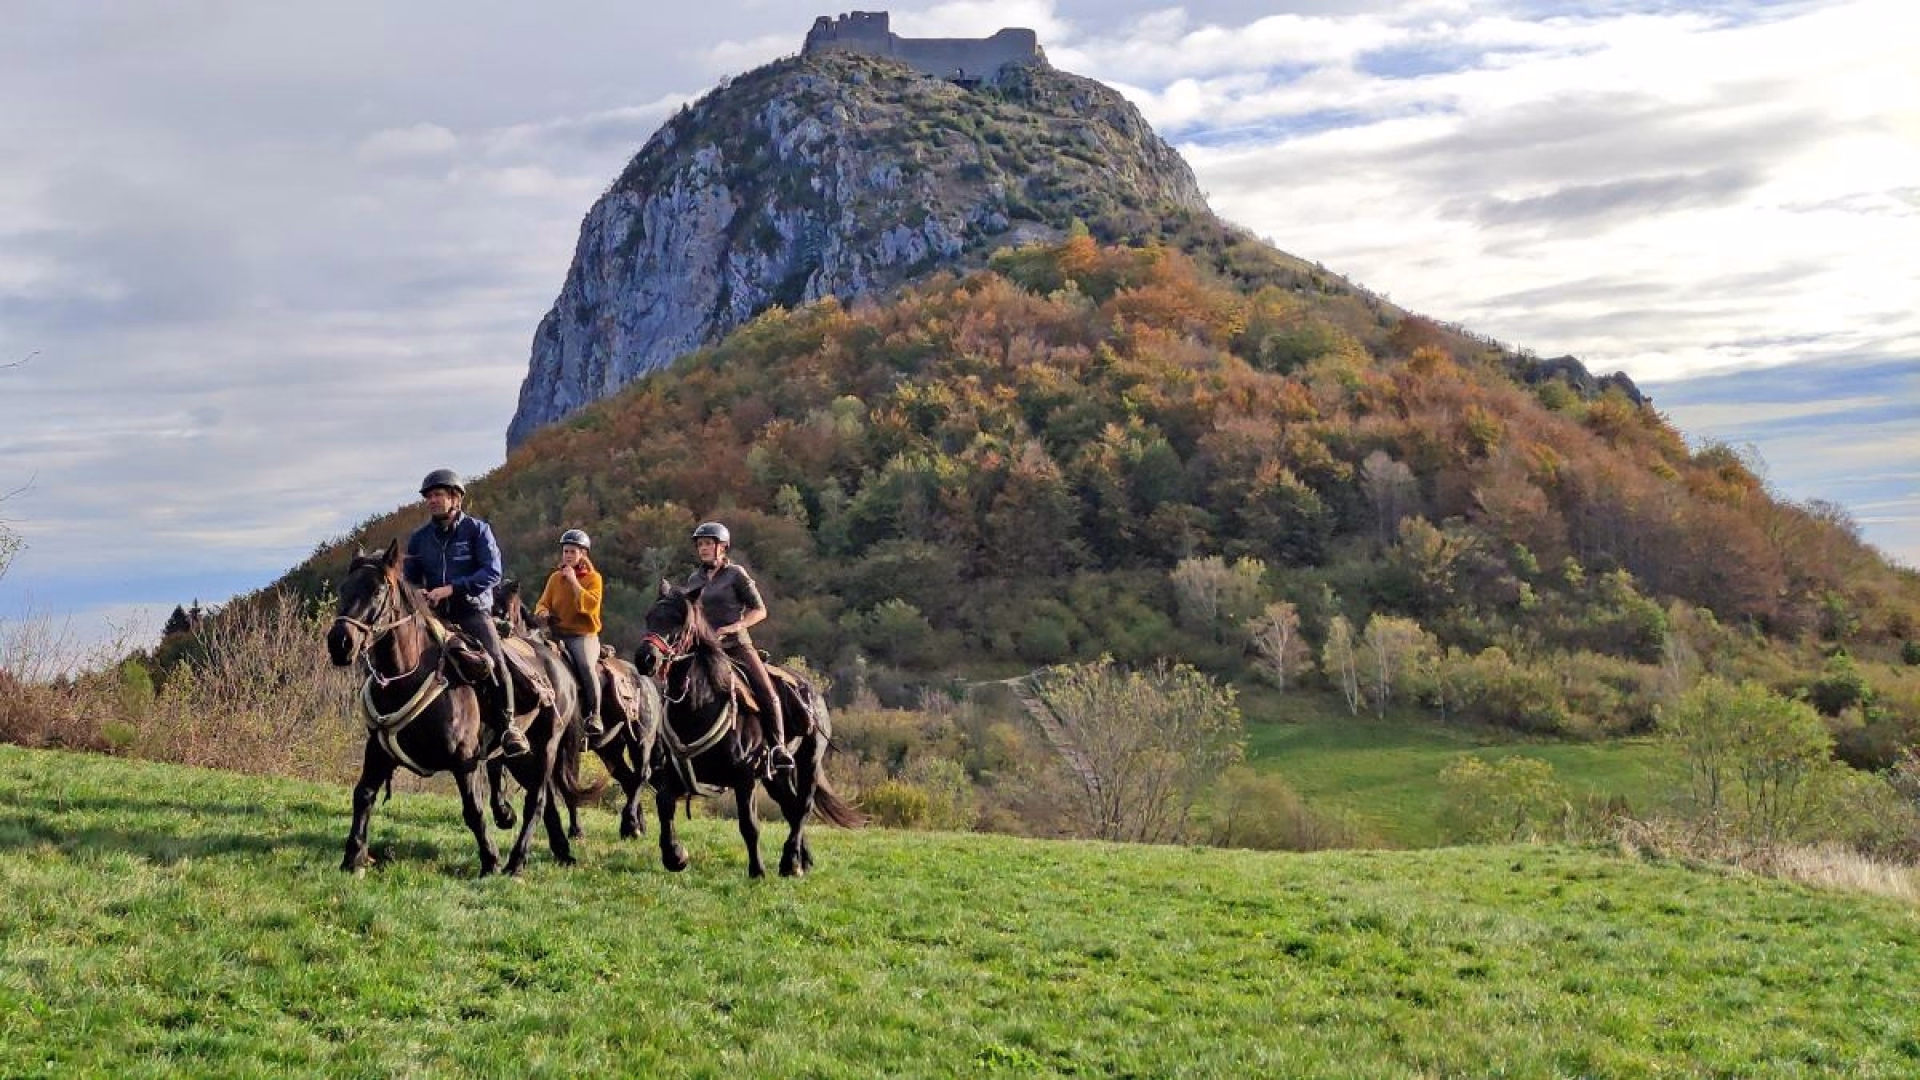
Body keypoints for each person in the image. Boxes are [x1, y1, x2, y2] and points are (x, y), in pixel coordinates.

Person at [403, 468, 529, 757]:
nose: (432, 501)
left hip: (472, 612)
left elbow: (492, 572)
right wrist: (418, 592)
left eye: (438, 495)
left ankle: (509, 726)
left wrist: (453, 588)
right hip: (434, 614)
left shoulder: (477, 530)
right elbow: (410, 579)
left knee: (496, 660)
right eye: (429, 496)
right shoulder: (419, 538)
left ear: (455, 499)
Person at [685, 521, 793, 772]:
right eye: (700, 544)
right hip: (705, 649)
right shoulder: (695, 578)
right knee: (675, 686)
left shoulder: (736, 574)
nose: (703, 549)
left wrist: (735, 627)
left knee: (766, 691)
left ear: (722, 547)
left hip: (736, 646)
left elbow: (760, 610)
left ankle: (778, 747)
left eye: (708, 544)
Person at [534, 528, 605, 738]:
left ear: (583, 554)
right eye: (566, 551)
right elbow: (542, 602)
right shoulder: (555, 578)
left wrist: (574, 581)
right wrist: (543, 612)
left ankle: (595, 714)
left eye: (573, 552)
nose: (568, 555)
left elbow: (590, 605)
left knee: (585, 665)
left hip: (582, 635)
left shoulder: (594, 579)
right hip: (556, 633)